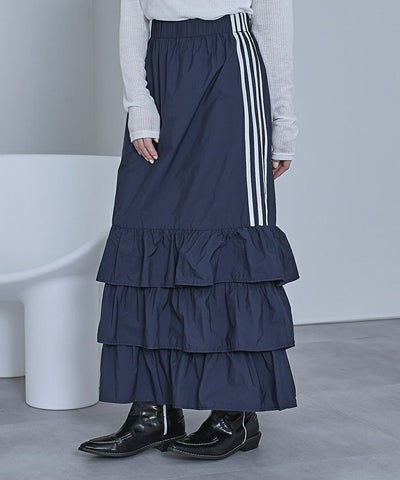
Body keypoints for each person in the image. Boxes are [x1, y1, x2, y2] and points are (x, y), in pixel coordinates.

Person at [78, 0, 300, 460]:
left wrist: (283, 124)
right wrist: (139, 104)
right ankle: (153, 411)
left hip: (230, 71)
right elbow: (132, 18)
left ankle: (235, 413)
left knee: (228, 239)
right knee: (146, 235)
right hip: (162, 66)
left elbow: (274, 28)